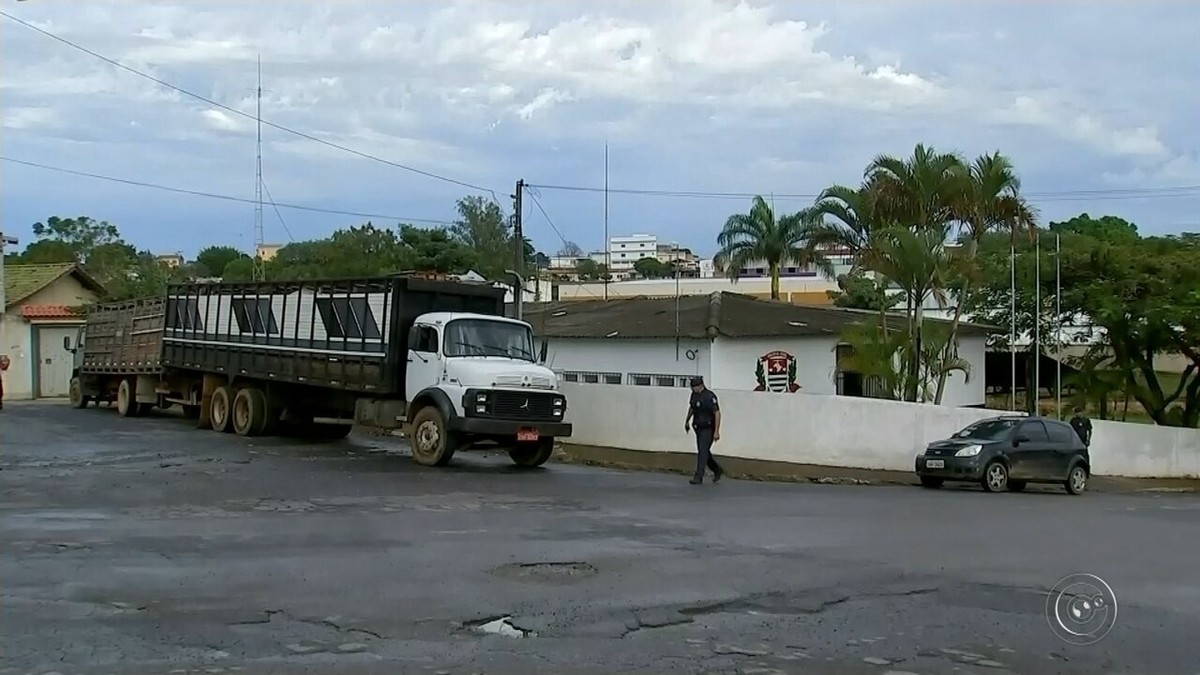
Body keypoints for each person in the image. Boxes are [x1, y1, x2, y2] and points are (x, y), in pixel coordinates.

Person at [684, 376, 723, 485]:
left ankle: (698, 476)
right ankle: (716, 469)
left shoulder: (709, 396)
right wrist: (687, 421)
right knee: (704, 451)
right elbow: (692, 408)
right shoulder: (694, 395)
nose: (693, 389)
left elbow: (717, 413)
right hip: (698, 427)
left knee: (702, 451)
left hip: (708, 428)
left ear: (701, 386)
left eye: (694, 387)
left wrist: (716, 431)